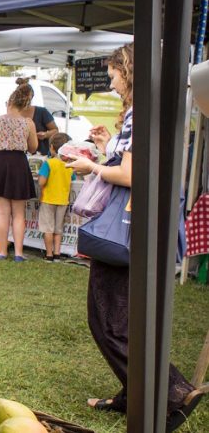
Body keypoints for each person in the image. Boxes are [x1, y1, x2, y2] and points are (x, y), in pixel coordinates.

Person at [66, 43, 202, 430]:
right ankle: (134, 393)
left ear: (129, 72)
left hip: (128, 228)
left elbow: (130, 176)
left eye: (113, 75)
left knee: (109, 321)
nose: (111, 83)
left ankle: (172, 391)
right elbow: (133, 164)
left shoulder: (140, 113)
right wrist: (106, 148)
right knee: (124, 316)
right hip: (144, 225)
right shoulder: (154, 112)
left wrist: (90, 164)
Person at [0, 83, 39, 261]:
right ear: (24, 106)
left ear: (8, 103)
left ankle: (3, 252)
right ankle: (19, 253)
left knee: (2, 213)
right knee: (19, 213)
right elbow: (33, 147)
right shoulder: (28, 123)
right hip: (19, 164)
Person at [37, 133, 74, 261]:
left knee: (48, 228)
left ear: (52, 147)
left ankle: (49, 254)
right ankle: (57, 253)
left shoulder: (49, 163)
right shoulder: (69, 165)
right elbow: (73, 179)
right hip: (63, 200)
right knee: (58, 229)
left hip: (48, 199)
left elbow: (41, 182)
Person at [14, 78, 59, 156]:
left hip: (40, 155)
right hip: (18, 155)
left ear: (32, 96)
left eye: (27, 96)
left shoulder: (41, 112)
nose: (25, 99)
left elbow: (55, 130)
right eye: (22, 96)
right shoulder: (13, 113)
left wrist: (45, 135)